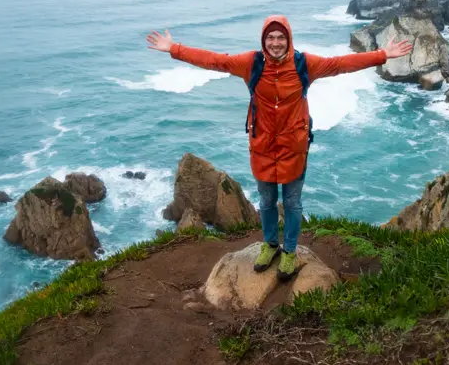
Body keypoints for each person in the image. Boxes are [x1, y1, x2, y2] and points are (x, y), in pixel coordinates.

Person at [146, 15, 412, 280]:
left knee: (293, 203)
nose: (275, 43)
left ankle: (290, 251)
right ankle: (271, 245)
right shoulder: (251, 63)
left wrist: (382, 55)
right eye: (270, 38)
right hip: (262, 146)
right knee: (267, 201)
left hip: (293, 147)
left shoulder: (304, 64)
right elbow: (215, 60)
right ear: (264, 40)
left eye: (280, 37)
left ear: (288, 38)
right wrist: (174, 49)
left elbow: (340, 64)